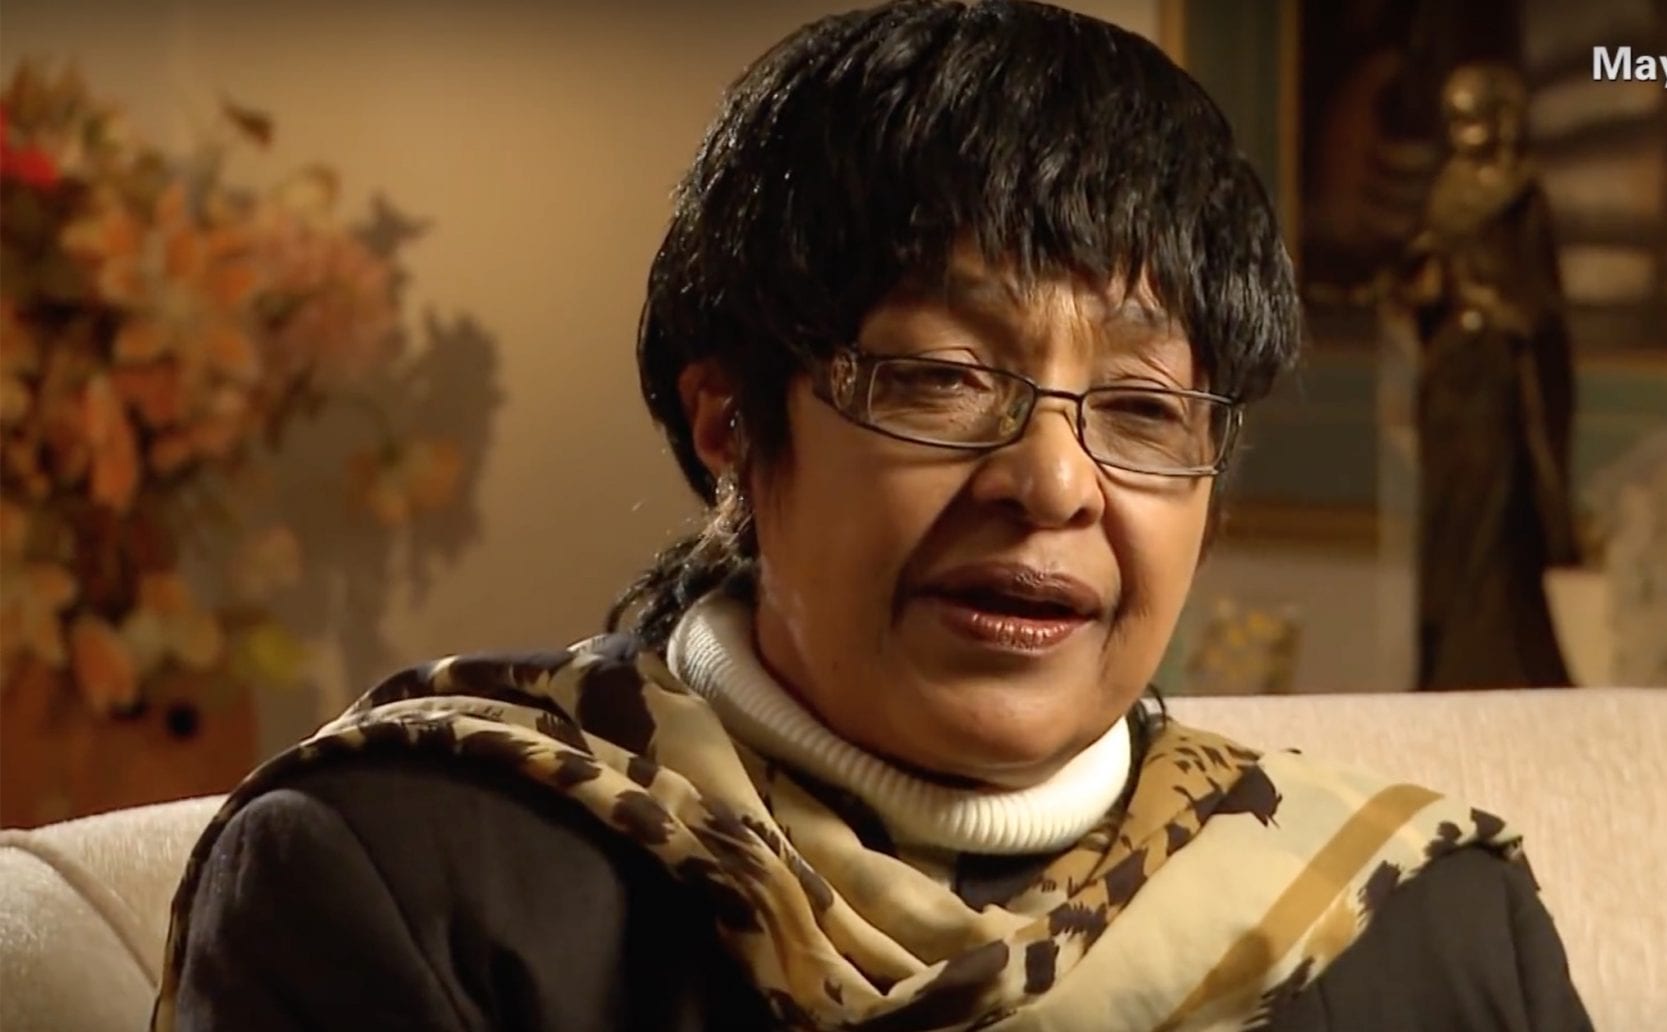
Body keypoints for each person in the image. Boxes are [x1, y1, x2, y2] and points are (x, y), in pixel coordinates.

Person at [153, 3, 1593, 1029]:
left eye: (1145, 409)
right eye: (944, 378)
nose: (1054, 482)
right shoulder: (414, 880)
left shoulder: (1415, 921)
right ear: (732, 424)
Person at [1399, 62, 1581, 692]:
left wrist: (1503, 310)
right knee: (1449, 524)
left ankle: (1495, 662)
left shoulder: (1522, 193)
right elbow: (1429, 276)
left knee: (1497, 522)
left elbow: (1541, 299)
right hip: (1451, 369)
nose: (1463, 129)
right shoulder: (1448, 187)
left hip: (1497, 375)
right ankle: (1444, 662)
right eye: (1455, 117)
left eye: (1474, 115)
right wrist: (1422, 285)